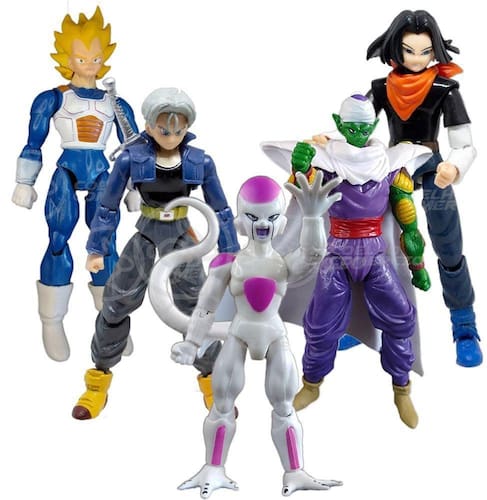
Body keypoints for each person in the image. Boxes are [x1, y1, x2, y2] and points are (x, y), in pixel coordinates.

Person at [149, 174, 342, 497]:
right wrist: (192, 343)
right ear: (240, 222)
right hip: (238, 334)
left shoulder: (282, 264)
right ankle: (213, 467)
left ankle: (295, 471)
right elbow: (206, 307)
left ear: (281, 223)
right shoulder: (229, 264)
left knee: (284, 405)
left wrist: (311, 218)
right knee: (222, 404)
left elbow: (312, 254)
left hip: (274, 335)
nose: (262, 225)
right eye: (253, 217)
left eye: (270, 217)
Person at [262, 94, 431, 428]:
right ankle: (312, 383)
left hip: (375, 254)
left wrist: (418, 265)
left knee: (400, 319)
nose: (357, 133)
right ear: (339, 124)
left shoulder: (390, 167)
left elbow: (408, 223)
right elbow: (302, 194)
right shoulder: (327, 165)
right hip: (337, 253)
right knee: (320, 324)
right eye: (351, 127)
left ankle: (401, 388)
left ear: (374, 125)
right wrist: (301, 166)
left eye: (364, 127)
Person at [71, 87, 239, 420]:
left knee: (198, 308)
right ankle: (97, 381)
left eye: (179, 130)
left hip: (181, 235)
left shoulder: (199, 161)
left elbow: (220, 209)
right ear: (148, 126)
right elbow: (107, 206)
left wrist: (230, 252)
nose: (172, 137)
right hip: (147, 233)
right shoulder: (131, 159)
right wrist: (97, 248)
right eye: (164, 130)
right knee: (116, 303)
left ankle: (214, 383)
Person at [13, 7, 137, 361]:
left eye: (95, 57)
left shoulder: (116, 103)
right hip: (66, 170)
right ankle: (51, 320)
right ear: (66, 58)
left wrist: (134, 188)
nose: (89, 64)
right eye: (81, 58)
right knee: (58, 239)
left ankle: (112, 320)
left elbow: (133, 148)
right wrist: (24, 181)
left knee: (106, 245)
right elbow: (34, 141)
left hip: (102, 174)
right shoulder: (53, 98)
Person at [366, 9, 481, 367]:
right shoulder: (382, 89)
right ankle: (365, 320)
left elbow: (465, 143)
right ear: (395, 49)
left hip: (432, 167)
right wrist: (333, 139)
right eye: (409, 50)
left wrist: (454, 166)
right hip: (395, 166)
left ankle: (464, 325)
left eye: (425, 52)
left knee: (448, 241)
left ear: (435, 51)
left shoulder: (444, 89)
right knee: (372, 240)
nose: (417, 58)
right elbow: (358, 128)